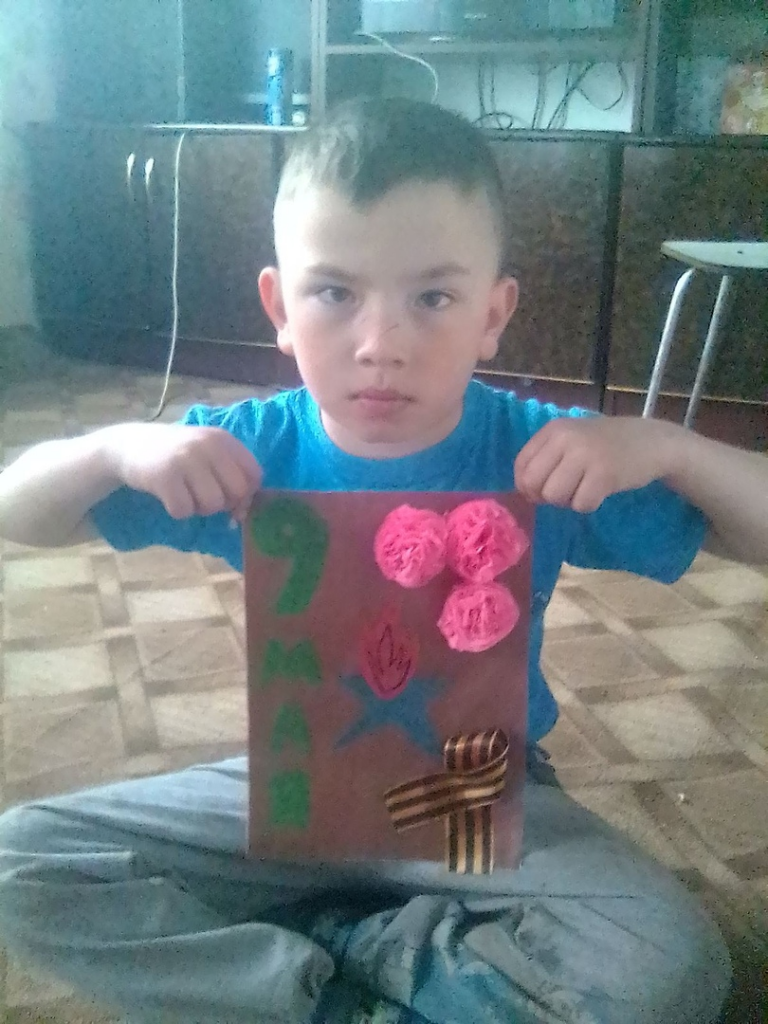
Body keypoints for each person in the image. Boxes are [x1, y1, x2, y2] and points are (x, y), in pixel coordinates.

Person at [0, 97, 764, 1024]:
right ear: (279, 308)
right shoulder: (247, 451)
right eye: (334, 293)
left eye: (432, 299)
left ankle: (350, 944)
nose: (380, 346)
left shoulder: (545, 454)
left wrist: (672, 448)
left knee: (673, 967)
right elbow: (19, 512)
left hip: (480, 792)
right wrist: (115, 448)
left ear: (493, 314)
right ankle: (335, 987)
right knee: (22, 863)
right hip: (300, 787)